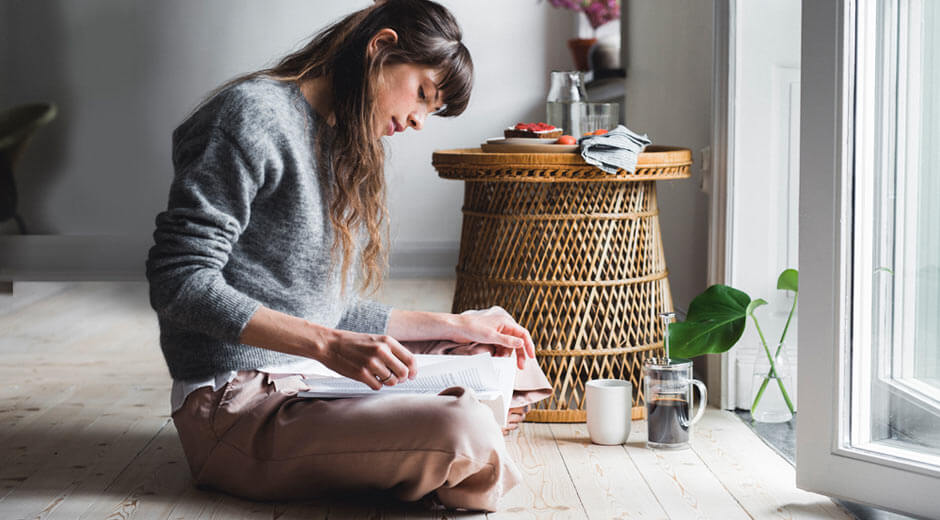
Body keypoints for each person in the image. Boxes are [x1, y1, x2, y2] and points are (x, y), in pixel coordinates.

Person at [145, 0, 551, 512]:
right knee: (460, 427)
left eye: (433, 110)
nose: (419, 120)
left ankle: (436, 440)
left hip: (314, 380)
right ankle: (459, 441)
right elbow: (178, 281)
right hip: (238, 406)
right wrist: (327, 345)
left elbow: (324, 309)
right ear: (380, 49)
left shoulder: (343, 141)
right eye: (423, 94)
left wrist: (459, 325)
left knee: (489, 352)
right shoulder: (250, 115)